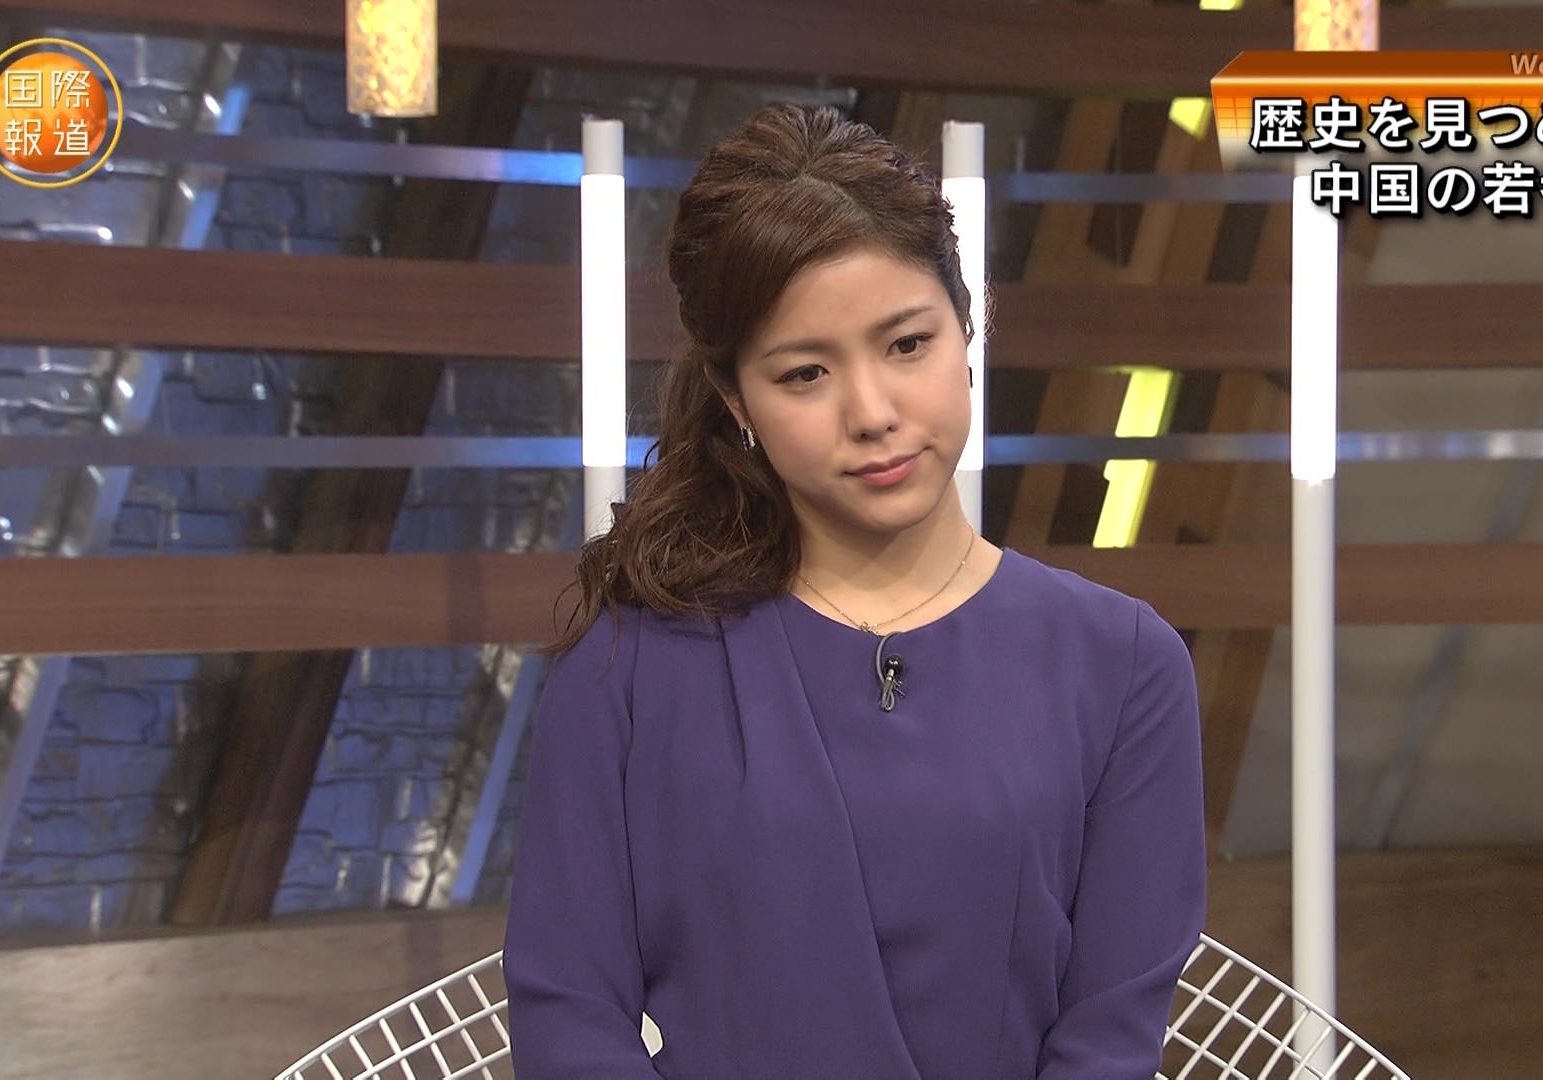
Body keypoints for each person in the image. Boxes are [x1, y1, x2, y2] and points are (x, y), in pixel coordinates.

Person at [503, 103, 1206, 1080]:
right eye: (805, 374)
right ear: (738, 400)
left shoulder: (1123, 666)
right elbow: (568, 1016)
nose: (872, 413)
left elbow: (1110, 1039)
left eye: (907, 345)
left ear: (968, 327)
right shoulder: (629, 665)